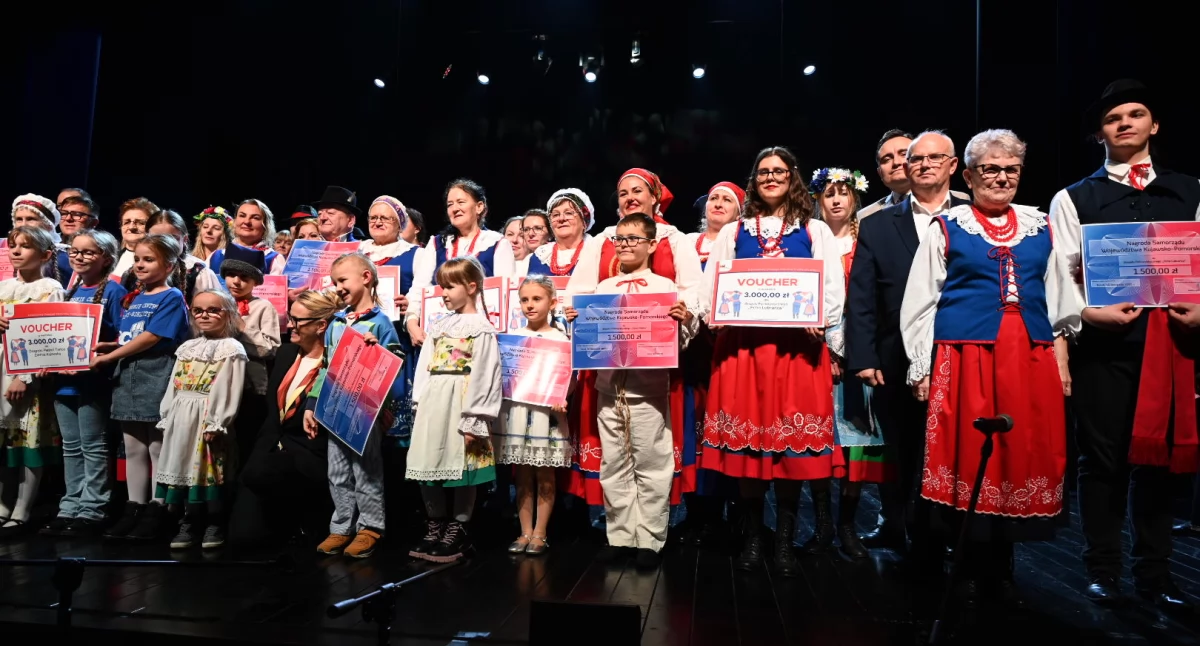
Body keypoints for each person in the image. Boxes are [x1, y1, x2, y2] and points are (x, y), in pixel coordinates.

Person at [902, 128, 1074, 606]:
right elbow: (921, 303)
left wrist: (1060, 356)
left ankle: (1003, 565)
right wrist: (922, 367)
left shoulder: (1041, 225)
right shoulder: (950, 226)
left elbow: (1060, 299)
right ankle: (971, 564)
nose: (1001, 178)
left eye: (1011, 170)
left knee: (1019, 456)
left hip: (1029, 358)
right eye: (991, 169)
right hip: (966, 357)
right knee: (972, 454)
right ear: (971, 174)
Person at [1051, 79, 1200, 610]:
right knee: (1103, 461)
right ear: (1100, 134)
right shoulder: (1073, 197)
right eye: (1114, 118)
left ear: (1154, 125)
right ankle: (1103, 570)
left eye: (1136, 114)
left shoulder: (1191, 190)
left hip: (1173, 345)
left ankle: (1156, 573)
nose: (1125, 123)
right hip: (1104, 346)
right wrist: (1088, 312)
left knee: (1158, 462)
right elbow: (1062, 273)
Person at [698, 147, 844, 578]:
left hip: (795, 352)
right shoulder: (735, 230)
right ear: (754, 179)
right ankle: (754, 536)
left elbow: (831, 284)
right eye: (763, 172)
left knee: (789, 448)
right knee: (748, 449)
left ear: (792, 176)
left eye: (779, 171)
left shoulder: (814, 229)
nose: (771, 177)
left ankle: (784, 538)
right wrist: (715, 314)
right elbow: (713, 285)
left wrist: (823, 318)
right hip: (744, 351)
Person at [844, 130, 972, 557]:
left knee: (960, 449)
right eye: (915, 160)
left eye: (934, 158)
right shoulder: (879, 225)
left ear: (954, 166)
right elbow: (861, 296)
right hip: (894, 357)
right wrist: (863, 356)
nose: (922, 165)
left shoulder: (977, 215)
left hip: (967, 353)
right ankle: (912, 539)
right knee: (902, 451)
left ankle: (962, 539)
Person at [566, 213, 698, 569]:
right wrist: (576, 323)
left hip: (649, 392)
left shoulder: (664, 287)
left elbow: (681, 341)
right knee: (615, 465)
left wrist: (683, 320)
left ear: (652, 245)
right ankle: (621, 535)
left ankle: (650, 539)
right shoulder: (602, 289)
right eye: (620, 239)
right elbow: (585, 342)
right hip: (609, 391)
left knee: (652, 464)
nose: (625, 245)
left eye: (633, 239)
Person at [304, 253, 403, 559]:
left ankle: (371, 527)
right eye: (334, 282)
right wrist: (312, 404)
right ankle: (342, 526)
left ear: (366, 278)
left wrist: (377, 351)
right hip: (335, 409)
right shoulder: (335, 323)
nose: (338, 287)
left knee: (366, 470)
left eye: (343, 280)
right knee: (337, 470)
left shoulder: (381, 322)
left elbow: (395, 368)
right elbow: (326, 366)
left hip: (365, 412)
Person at [95, 233, 192, 540]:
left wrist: (111, 355)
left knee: (156, 446)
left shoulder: (171, 297)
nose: (139, 265)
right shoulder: (136, 296)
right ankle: (133, 506)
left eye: (148, 260)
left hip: (155, 374)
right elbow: (133, 336)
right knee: (132, 446)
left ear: (169, 265)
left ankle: (159, 508)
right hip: (128, 375)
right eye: (137, 259)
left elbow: (152, 337)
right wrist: (110, 344)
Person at [407, 257, 502, 563]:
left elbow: (486, 374)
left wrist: (474, 419)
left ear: (471, 287)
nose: (443, 293)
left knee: (462, 466)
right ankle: (435, 524)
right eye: (442, 286)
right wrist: (420, 401)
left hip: (462, 401)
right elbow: (425, 365)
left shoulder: (482, 329)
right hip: (436, 399)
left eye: (450, 287)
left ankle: (458, 528)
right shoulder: (440, 325)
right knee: (428, 461)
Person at [807, 166, 880, 559]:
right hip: (816, 350)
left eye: (843, 192)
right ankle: (821, 524)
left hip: (858, 350)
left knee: (856, 440)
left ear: (854, 199)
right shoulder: (809, 241)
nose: (836, 199)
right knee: (820, 436)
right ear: (818, 199)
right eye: (828, 193)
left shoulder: (866, 239)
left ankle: (848, 524)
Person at [229, 290, 339, 547]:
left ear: (321, 325)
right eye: (290, 317)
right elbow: (272, 413)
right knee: (242, 538)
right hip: (270, 450)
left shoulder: (334, 362)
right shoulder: (287, 353)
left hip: (310, 454)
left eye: (297, 320)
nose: (290, 325)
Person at [40, 229, 127, 537]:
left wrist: (99, 352)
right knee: (72, 447)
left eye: (88, 252)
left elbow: (122, 338)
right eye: (75, 251)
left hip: (94, 382)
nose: (78, 257)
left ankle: (93, 508)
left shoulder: (114, 292)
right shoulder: (70, 290)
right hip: (63, 383)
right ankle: (70, 505)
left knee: (93, 445)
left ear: (106, 258)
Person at [156, 290, 247, 549]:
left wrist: (217, 421)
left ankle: (214, 522)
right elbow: (174, 383)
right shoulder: (187, 347)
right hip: (182, 415)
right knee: (183, 467)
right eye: (198, 310)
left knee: (209, 470)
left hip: (207, 415)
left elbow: (230, 388)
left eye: (213, 310)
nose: (204, 315)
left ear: (227, 314)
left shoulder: (231, 349)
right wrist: (168, 414)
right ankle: (189, 520)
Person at [495, 277, 573, 555]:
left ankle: (541, 532)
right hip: (518, 413)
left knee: (545, 473)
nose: (529, 305)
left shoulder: (561, 339)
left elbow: (568, 378)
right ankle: (524, 530)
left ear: (552, 303)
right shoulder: (514, 336)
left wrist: (564, 397)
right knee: (522, 475)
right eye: (525, 299)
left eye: (536, 299)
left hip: (546, 416)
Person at [0, 227, 66, 537]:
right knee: (4, 442)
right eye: (14, 246)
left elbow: (45, 336)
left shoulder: (49, 287)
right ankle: (2, 504)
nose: (16, 251)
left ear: (45, 255)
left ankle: (23, 509)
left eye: (25, 247)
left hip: (25, 372)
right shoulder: (3, 286)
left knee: (27, 440)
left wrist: (22, 377)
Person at [405, 179, 515, 348]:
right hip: (439, 335)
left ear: (479, 207)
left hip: (482, 337)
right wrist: (412, 323)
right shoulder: (437, 244)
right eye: (450, 204)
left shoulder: (497, 243)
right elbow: (419, 289)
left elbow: (508, 297)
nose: (454, 208)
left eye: (461, 202)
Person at [221, 259, 281, 463]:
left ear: (255, 282)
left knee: (247, 438)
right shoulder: (217, 303)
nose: (236, 282)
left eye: (244, 278)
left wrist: (243, 327)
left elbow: (271, 348)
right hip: (219, 383)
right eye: (231, 276)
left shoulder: (263, 307)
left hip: (250, 385)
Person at [138, 210, 221, 306]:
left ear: (184, 239)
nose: (165, 245)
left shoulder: (198, 271)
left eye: (172, 238)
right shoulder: (135, 271)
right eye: (157, 239)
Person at [526, 189, 594, 277]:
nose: (561, 218)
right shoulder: (539, 257)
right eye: (555, 215)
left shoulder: (595, 251)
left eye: (569, 213)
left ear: (584, 221)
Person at [10, 194, 71, 286]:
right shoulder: (8, 252)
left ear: (48, 225)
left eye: (30, 219)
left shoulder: (61, 258)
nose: (23, 224)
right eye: (19, 219)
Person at [113, 198, 160, 277]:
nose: (131, 227)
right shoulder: (111, 258)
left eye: (140, 223)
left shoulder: (160, 261)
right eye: (127, 222)